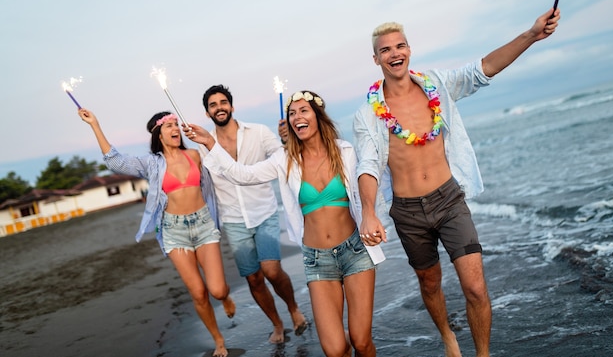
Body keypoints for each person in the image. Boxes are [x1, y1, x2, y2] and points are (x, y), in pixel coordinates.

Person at [353, 8, 561, 357]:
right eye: (386, 50)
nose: (395, 54)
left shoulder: (436, 85)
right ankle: (448, 335)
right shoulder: (367, 114)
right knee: (429, 283)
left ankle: (482, 354)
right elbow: (368, 164)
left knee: (476, 288)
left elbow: (482, 69)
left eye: (400, 46)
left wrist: (531, 34)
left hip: (449, 201)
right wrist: (369, 212)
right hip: (408, 211)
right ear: (376, 58)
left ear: (409, 50)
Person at [185, 90, 386, 357]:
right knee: (335, 350)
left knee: (361, 341)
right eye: (292, 113)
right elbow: (242, 175)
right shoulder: (285, 159)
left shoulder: (344, 151)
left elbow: (368, 181)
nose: (297, 117)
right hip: (317, 259)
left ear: (317, 115)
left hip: (354, 252)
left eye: (303, 110)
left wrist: (371, 216)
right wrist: (211, 143)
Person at [77, 108, 236, 357]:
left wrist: (208, 139)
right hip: (174, 231)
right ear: (158, 134)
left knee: (217, 290)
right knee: (198, 292)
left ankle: (225, 298)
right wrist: (95, 124)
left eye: (176, 124)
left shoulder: (195, 155)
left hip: (204, 225)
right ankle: (218, 339)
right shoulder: (152, 163)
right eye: (168, 126)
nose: (175, 129)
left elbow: (225, 165)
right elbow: (115, 161)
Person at [201, 84, 308, 343]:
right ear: (207, 113)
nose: (219, 107)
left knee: (271, 270)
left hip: (265, 212)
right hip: (233, 220)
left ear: (232, 106)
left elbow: (284, 155)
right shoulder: (203, 146)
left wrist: (286, 138)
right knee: (254, 278)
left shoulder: (258, 132)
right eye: (213, 105)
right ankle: (277, 324)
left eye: (223, 102)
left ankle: (294, 310)